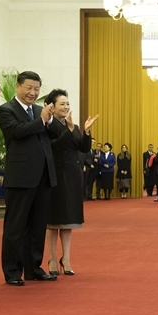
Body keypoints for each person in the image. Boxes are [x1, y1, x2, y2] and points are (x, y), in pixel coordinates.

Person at [0, 71, 64, 285]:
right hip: (20, 177)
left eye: (36, 89)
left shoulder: (39, 110)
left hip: (44, 176)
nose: (33, 93)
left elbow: (57, 132)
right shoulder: (6, 109)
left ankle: (34, 267)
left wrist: (49, 118)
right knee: (16, 226)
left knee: (37, 225)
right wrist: (41, 120)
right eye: (29, 88)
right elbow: (16, 132)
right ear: (18, 86)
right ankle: (12, 271)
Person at [44, 89, 97, 276]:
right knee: (53, 221)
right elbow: (54, 146)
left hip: (73, 176)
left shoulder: (72, 125)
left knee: (68, 221)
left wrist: (86, 131)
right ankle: (52, 258)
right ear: (52, 106)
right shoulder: (48, 124)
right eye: (62, 104)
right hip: (55, 176)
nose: (66, 107)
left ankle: (66, 259)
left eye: (67, 103)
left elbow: (83, 148)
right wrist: (69, 130)